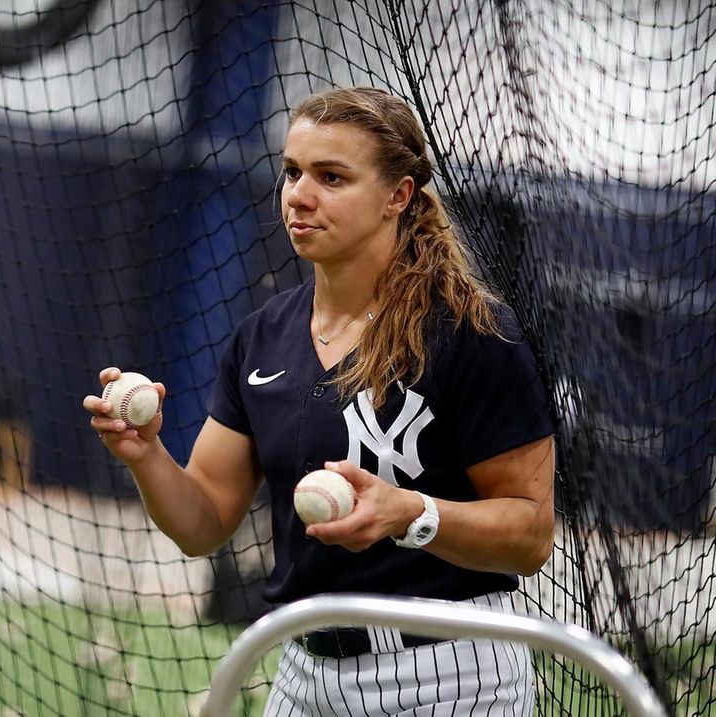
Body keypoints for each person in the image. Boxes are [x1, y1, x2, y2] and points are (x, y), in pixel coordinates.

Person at [83, 86, 555, 716]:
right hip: (304, 669)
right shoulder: (261, 336)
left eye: (332, 177)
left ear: (398, 196)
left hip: (449, 672)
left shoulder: (472, 334)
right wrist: (145, 455)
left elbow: (529, 533)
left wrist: (411, 513)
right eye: (292, 172)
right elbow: (202, 523)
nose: (299, 195)